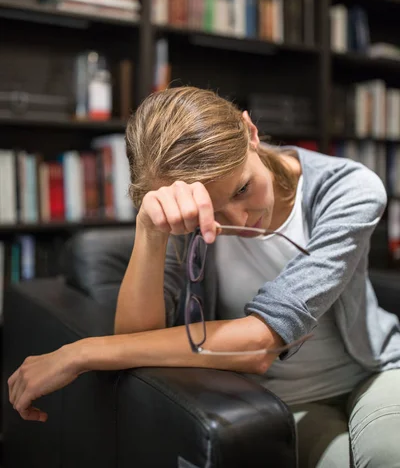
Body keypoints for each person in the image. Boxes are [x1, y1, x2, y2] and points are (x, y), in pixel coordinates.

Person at [8, 86, 400, 467]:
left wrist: (82, 352)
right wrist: (151, 231)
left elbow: (261, 343)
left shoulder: (350, 189)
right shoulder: (184, 222)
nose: (237, 222)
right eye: (210, 211)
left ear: (250, 133)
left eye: (242, 188)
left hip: (372, 372)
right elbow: (136, 337)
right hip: (279, 400)